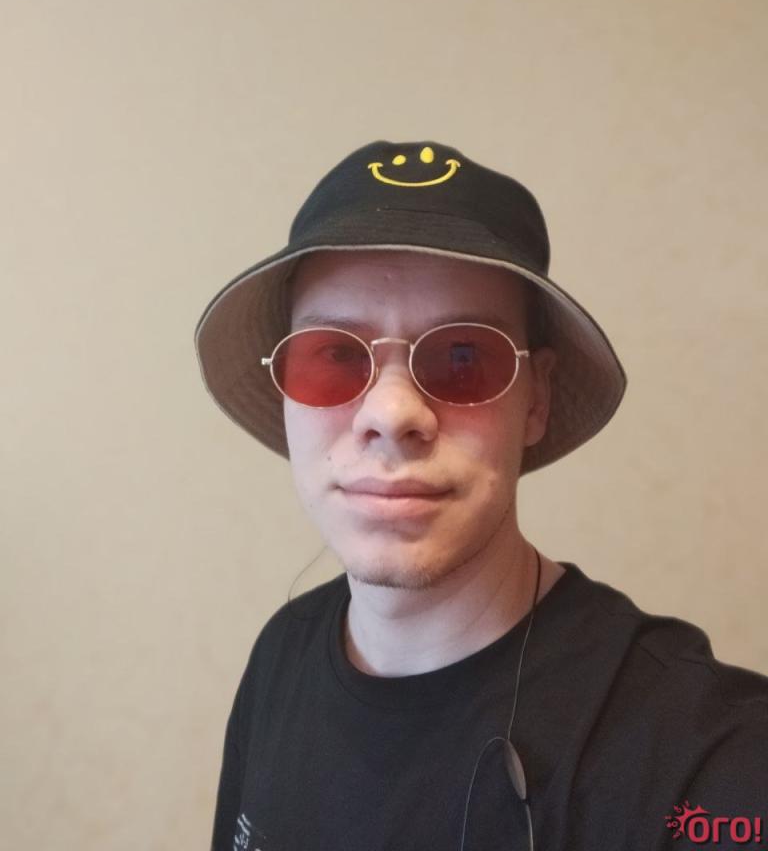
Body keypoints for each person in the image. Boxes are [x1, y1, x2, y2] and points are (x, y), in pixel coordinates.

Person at [195, 140, 767, 851]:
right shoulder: (282, 655)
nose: (391, 414)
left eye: (462, 357)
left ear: (537, 399)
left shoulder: (698, 754)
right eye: (336, 356)